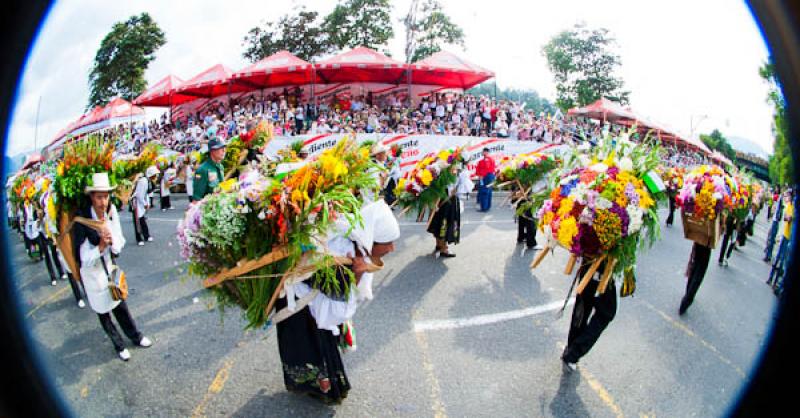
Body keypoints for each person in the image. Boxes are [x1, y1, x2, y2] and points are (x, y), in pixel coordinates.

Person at [275, 199, 399, 404]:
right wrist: (357, 274)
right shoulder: (339, 252)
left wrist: (359, 271)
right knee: (309, 348)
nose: (392, 248)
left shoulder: (356, 246)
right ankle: (318, 387)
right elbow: (337, 306)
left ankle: (320, 385)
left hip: (312, 304)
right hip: (302, 307)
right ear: (372, 239)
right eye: (387, 243)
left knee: (316, 347)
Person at [72, 172, 152, 361]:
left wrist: (111, 242)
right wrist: (100, 246)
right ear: (91, 197)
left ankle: (135, 336)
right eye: (99, 197)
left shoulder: (111, 211)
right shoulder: (82, 219)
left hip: (108, 266)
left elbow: (120, 240)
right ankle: (119, 345)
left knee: (119, 302)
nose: (103, 202)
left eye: (106, 196)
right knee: (103, 310)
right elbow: (83, 257)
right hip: (92, 273)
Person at [561, 259, 616, 370]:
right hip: (601, 268)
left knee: (582, 306)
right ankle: (574, 352)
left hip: (589, 262)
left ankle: (571, 348)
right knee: (606, 312)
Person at [427, 164, 464, 258]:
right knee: (444, 224)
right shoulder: (442, 176)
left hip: (445, 201)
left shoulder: (446, 175)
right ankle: (443, 248)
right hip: (445, 203)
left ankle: (439, 245)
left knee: (439, 223)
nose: (455, 171)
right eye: (453, 168)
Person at [767, 190, 794, 293]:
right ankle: (771, 278)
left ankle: (776, 283)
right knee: (779, 258)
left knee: (783, 261)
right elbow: (786, 218)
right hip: (785, 236)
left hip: (789, 238)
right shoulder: (789, 206)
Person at [680, 241, 713, 315]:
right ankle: (687, 300)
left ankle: (687, 293)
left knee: (695, 266)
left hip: (699, 239)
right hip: (707, 242)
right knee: (699, 272)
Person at [132, 167, 156, 246]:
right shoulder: (143, 181)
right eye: (155, 175)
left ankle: (146, 235)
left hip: (141, 202)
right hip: (136, 202)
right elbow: (139, 195)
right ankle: (139, 239)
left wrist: (147, 203)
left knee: (142, 219)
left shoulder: (147, 181)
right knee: (137, 221)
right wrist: (145, 203)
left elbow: (146, 194)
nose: (156, 177)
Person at [764, 193, 784, 262]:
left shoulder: (782, 200)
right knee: (771, 237)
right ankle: (768, 253)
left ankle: (768, 255)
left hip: (776, 222)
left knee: (772, 238)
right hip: (775, 220)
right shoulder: (781, 199)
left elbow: (779, 212)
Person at [475, 148, 496, 212]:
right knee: (488, 192)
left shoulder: (487, 160)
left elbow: (486, 169)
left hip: (486, 177)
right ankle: (487, 206)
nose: (482, 153)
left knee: (484, 192)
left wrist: (481, 175)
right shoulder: (486, 160)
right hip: (487, 177)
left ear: (486, 152)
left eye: (483, 152)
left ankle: (484, 208)